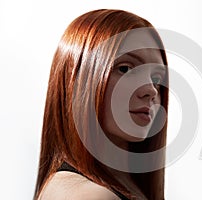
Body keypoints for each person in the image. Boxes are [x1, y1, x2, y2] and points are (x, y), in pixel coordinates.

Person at [34, 9, 169, 200]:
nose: (152, 90)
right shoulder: (87, 195)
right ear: (77, 80)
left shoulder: (117, 186)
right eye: (125, 68)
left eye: (156, 78)